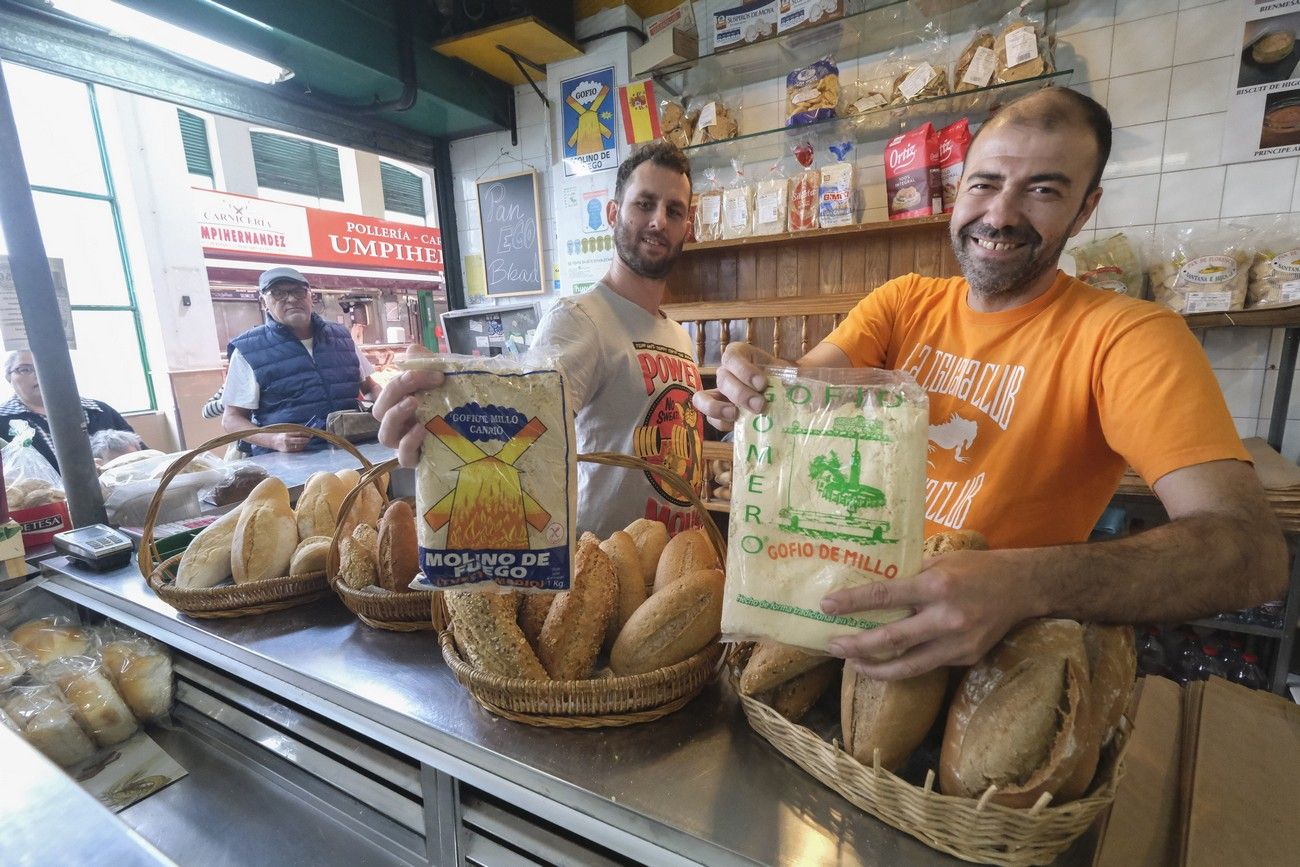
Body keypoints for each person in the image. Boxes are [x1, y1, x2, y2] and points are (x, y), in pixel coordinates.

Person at [692, 87, 1289, 681]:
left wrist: (1022, 583)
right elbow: (804, 384)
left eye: (1044, 190)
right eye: (984, 183)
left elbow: (1249, 553)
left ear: (1085, 209)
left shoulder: (1128, 336)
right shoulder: (903, 303)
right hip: (842, 625)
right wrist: (757, 379)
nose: (1000, 215)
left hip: (993, 661)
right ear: (958, 190)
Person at [373, 141, 705, 539]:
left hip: (677, 562)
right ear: (613, 213)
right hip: (605, 570)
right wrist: (442, 415)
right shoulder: (580, 319)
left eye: (674, 211)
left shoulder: (678, 335)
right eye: (644, 204)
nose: (658, 221)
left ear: (687, 226)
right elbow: (520, 426)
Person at [221, 267, 380, 454]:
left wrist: (387, 408)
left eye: (299, 291)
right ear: (264, 302)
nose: (291, 299)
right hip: (290, 463)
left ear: (310, 296)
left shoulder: (341, 337)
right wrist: (273, 440)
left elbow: (370, 388)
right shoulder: (248, 350)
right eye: (278, 293)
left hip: (354, 451)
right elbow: (231, 419)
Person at [0, 349, 138, 473]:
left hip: (119, 497)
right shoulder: (2, 421)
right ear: (8, 377)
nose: (39, 374)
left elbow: (144, 459)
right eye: (24, 369)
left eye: (48, 366)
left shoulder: (100, 411)